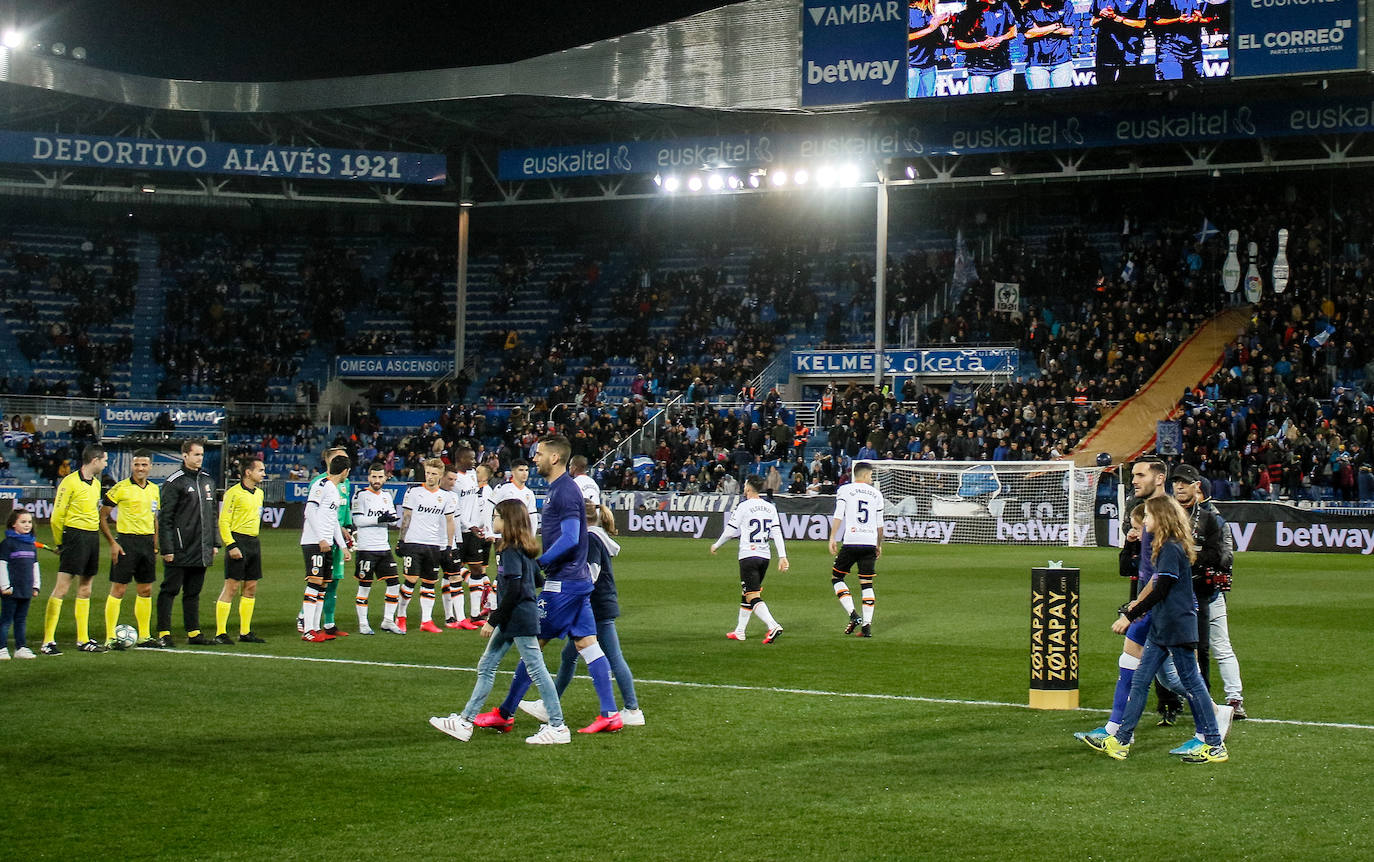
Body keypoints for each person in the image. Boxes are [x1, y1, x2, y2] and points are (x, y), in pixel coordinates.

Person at [472, 435, 624, 735]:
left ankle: (506, 712)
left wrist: (538, 564)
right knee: (587, 644)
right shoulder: (559, 490)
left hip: (564, 582)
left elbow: (570, 537)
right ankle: (610, 714)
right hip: (576, 581)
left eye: (539, 453)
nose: (534, 458)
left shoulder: (565, 491)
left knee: (532, 641)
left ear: (555, 458)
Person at [1083, 495, 1229, 764]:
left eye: (1148, 516)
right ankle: (1122, 740)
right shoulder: (1166, 546)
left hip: (1177, 626)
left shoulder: (1171, 548)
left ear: (1160, 518)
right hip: (1164, 627)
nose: (1144, 520)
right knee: (1141, 681)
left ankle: (1214, 743)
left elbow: (1161, 588)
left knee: (1191, 684)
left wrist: (1131, 614)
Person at [429, 498, 570, 745]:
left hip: (517, 618)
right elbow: (536, 580)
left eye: (496, 516)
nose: (492, 520)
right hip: (516, 617)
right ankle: (465, 722)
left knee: (536, 669)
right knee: (487, 666)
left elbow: (516, 590)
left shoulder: (510, 550)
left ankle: (558, 725)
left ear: (508, 521)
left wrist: (493, 620)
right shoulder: (523, 548)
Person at [519, 502, 644, 727]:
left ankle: (632, 709)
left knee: (612, 656)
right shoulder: (596, 536)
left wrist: (571, 587)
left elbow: (592, 572)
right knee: (570, 656)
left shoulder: (591, 538)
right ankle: (551, 703)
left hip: (595, 606)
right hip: (593, 604)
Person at [1171, 463, 1247, 719]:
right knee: (1212, 646)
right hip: (1191, 592)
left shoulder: (1212, 520)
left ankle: (1231, 699)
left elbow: (1224, 557)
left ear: (1198, 489)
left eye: (1187, 484)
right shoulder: (1182, 516)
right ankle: (1217, 698)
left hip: (1208, 591)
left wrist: (1196, 558)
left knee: (1214, 646)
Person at [43, 443, 110, 654]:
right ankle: (48, 642)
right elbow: (56, 517)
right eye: (105, 460)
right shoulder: (69, 482)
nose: (106, 463)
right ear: (95, 460)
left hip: (91, 537)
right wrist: (60, 543)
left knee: (86, 588)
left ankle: (83, 639)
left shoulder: (96, 484)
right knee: (62, 588)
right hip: (74, 535)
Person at [156, 439, 220, 648]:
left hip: (201, 548)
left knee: (193, 592)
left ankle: (194, 633)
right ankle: (164, 633)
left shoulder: (208, 481)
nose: (199, 458)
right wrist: (167, 548)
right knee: (169, 590)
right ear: (185, 456)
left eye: (201, 455)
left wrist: (215, 543)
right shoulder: (174, 482)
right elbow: (165, 518)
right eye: (196, 454)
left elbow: (212, 515)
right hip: (180, 548)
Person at [711, 475, 789, 643]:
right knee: (747, 592)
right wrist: (782, 556)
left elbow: (731, 531)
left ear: (747, 488)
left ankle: (773, 625)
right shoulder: (770, 507)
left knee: (752, 595)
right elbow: (777, 533)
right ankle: (740, 631)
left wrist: (717, 545)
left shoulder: (743, 507)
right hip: (764, 557)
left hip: (748, 556)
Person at [99, 448, 160, 649]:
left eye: (144, 465)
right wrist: (112, 542)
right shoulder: (120, 488)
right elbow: (102, 517)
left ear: (150, 466)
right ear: (131, 466)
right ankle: (110, 637)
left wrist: (155, 544)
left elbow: (154, 518)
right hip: (126, 542)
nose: (140, 468)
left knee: (146, 589)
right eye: (136, 464)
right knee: (119, 589)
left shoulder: (154, 489)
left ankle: (144, 636)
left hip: (147, 543)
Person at [392, 458, 456, 634]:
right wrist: (401, 540)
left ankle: (426, 620)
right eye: (428, 473)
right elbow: (406, 517)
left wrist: (448, 546)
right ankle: (401, 616)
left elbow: (450, 522)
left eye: (434, 474)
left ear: (440, 476)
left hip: (434, 544)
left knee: (429, 582)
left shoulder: (446, 497)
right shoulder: (414, 492)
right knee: (411, 580)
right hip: (414, 543)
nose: (429, 476)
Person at [299, 454, 352, 642]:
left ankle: (315, 628)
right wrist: (321, 538)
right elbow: (309, 511)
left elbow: (334, 522)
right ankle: (307, 630)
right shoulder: (321, 485)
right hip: (314, 542)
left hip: (327, 544)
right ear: (346, 471)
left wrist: (343, 546)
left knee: (322, 586)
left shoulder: (335, 490)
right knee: (314, 583)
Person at [214, 456, 266, 645]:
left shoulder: (259, 494)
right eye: (260, 470)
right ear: (248, 472)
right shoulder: (233, 493)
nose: (263, 473)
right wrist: (231, 545)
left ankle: (245, 632)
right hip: (238, 541)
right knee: (232, 587)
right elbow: (223, 521)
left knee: (251, 587)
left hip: (253, 542)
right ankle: (220, 632)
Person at [829, 461, 885, 637]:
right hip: (869, 542)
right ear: (866, 475)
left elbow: (839, 515)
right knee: (866, 583)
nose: (871, 478)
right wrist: (879, 545)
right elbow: (880, 525)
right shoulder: (877, 494)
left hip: (851, 540)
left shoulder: (845, 490)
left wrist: (832, 537)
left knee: (837, 577)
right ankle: (867, 627)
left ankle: (853, 614)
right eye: (870, 475)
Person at [350, 461, 401, 636]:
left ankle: (388, 621)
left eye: (380, 477)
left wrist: (390, 518)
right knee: (365, 585)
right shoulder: (360, 495)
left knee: (394, 584)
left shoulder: (387, 496)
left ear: (385, 478)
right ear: (369, 477)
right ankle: (363, 623)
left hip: (384, 547)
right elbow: (358, 521)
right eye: (374, 476)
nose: (377, 480)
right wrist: (379, 519)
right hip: (366, 548)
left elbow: (394, 520)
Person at [951, 0, 1018, 93]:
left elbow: (1013, 32)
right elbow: (959, 43)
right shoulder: (964, 16)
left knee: (1005, 103)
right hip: (977, 70)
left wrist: (999, 39)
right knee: (980, 105)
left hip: (1003, 68)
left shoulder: (1004, 7)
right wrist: (980, 45)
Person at [1, 509, 42, 660]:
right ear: (13, 524)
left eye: (29, 522)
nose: (27, 525)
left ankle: (21, 647)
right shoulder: (8, 544)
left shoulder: (31, 544)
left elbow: (34, 566)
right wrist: (4, 586)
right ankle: (2, 648)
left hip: (26, 588)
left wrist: (36, 586)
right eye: (23, 522)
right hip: (11, 590)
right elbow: (2, 565)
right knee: (6, 620)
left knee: (21, 619)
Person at [1152, 0, 1215, 81]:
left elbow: (1212, 18)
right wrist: (1177, 20)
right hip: (1170, 50)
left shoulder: (1203, 2)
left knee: (1194, 87)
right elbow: (1156, 20)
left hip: (1194, 51)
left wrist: (1198, 19)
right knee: (1173, 84)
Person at [1090, 0, 1149, 85]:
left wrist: (1119, 19)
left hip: (1130, 50)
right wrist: (1101, 16)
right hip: (1106, 49)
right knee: (1104, 86)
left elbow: (1142, 24)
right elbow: (1092, 23)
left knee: (1129, 86)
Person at [1021, 0, 1075, 89]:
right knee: (1038, 100)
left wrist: (1040, 28)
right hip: (1036, 64)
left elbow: (1069, 30)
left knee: (1060, 99)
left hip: (1062, 62)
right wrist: (1056, 25)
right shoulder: (1029, 7)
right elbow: (1029, 34)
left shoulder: (1066, 4)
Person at [907, 0, 949, 98]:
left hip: (929, 64)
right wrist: (930, 28)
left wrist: (942, 24)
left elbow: (941, 40)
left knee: (929, 99)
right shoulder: (908, 11)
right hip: (911, 65)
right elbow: (904, 37)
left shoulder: (930, 13)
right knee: (911, 99)